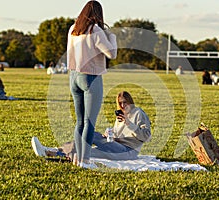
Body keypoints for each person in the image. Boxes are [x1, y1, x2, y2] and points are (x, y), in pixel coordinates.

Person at [31, 91, 152, 166]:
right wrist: (109, 134)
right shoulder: (121, 115)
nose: (122, 105)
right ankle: (51, 151)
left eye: (125, 102)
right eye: (120, 103)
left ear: (130, 101)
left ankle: (52, 151)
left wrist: (129, 124)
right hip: (116, 146)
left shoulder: (138, 113)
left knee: (91, 134)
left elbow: (146, 137)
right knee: (88, 151)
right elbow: (118, 135)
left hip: (128, 151)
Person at [67, 1, 117, 169]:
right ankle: (85, 160)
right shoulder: (95, 30)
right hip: (91, 77)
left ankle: (77, 158)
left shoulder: (73, 29)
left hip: (73, 76)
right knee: (90, 122)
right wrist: (112, 37)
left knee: (80, 122)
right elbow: (112, 54)